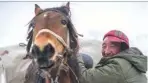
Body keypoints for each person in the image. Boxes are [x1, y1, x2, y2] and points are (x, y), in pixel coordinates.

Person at [77, 30, 147, 83]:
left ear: (123, 48)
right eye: (104, 46)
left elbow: (84, 78)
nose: (106, 51)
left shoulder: (119, 66)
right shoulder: (129, 62)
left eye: (113, 46)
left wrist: (76, 54)